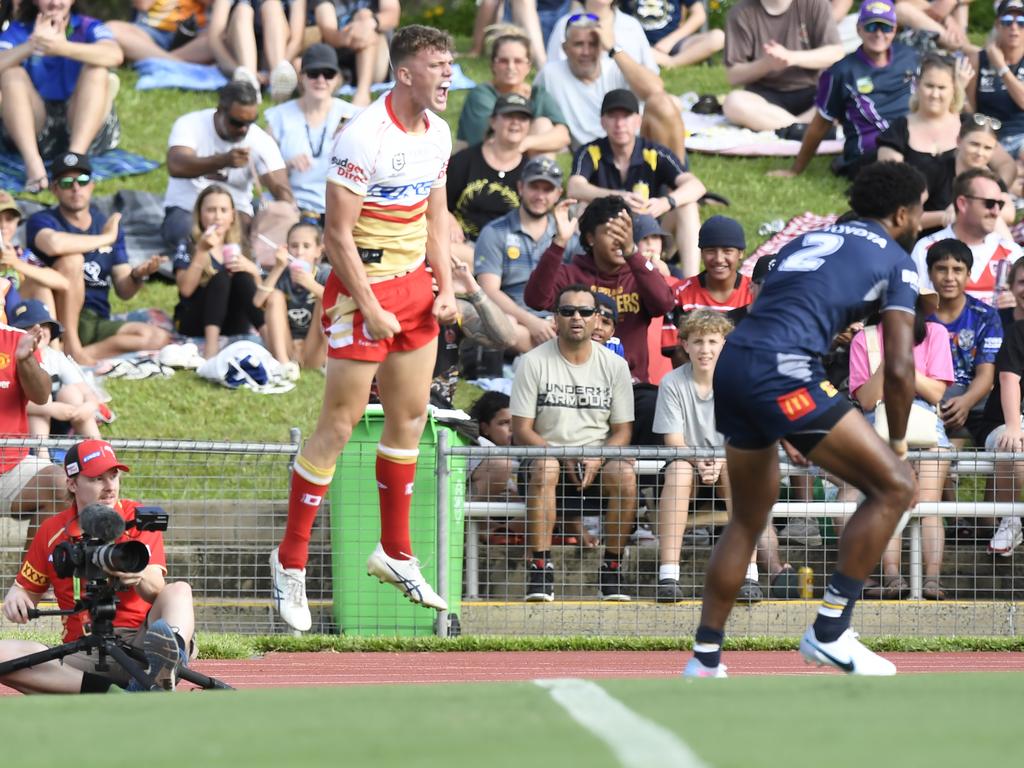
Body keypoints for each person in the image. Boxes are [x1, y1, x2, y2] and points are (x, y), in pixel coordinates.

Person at [682, 161, 926, 678]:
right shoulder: (899, 260)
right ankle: (831, 631)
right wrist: (898, 442)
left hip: (735, 363)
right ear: (902, 213)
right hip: (785, 374)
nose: (922, 221)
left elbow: (779, 311)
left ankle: (705, 660)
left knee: (748, 518)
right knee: (896, 486)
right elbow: (900, 367)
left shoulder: (805, 239)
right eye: (921, 210)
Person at [269, 25, 458, 632]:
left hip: (413, 288)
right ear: (406, 73)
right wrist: (368, 303)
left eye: (451, 63)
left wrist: (446, 285)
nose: (449, 74)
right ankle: (290, 560)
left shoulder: (439, 133)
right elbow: (335, 236)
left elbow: (436, 216)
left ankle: (396, 553)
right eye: (438, 65)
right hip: (362, 287)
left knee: (410, 418)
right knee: (341, 423)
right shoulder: (363, 135)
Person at [0, 439, 195, 693]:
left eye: (113, 476)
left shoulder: (137, 518)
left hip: (143, 644)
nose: (109, 487)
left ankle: (165, 666)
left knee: (179, 591)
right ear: (72, 483)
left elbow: (157, 588)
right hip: (81, 651)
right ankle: (111, 692)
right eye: (96, 479)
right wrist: (16, 598)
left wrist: (134, 573)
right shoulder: (51, 530)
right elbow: (24, 590)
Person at [511, 284, 637, 601]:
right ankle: (540, 568)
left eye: (584, 311)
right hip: (545, 457)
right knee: (545, 468)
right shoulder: (532, 362)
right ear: (556, 318)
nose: (576, 318)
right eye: (568, 311)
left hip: (597, 461)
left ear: (597, 319)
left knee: (625, 475)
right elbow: (522, 429)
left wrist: (597, 457)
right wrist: (559, 454)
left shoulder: (615, 366)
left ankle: (611, 567)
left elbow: (622, 431)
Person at [653, 311, 777, 604]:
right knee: (680, 470)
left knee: (738, 469)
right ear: (684, 344)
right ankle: (668, 575)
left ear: (724, 344)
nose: (704, 349)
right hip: (688, 464)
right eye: (697, 342)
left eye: (712, 341)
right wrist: (700, 462)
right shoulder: (672, 383)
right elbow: (674, 441)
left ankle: (749, 575)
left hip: (728, 462)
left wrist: (719, 461)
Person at [846, 294, 954, 599]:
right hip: (878, 426)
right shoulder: (863, 340)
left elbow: (936, 393)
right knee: (889, 502)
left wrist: (902, 364)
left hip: (926, 423)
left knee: (930, 505)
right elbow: (866, 399)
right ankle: (892, 576)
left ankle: (932, 578)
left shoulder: (936, 333)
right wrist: (888, 360)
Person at [26, 153, 169, 366]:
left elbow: (124, 290)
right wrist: (106, 238)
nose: (76, 188)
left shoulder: (104, 222)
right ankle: (72, 347)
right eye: (66, 182)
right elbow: (54, 244)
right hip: (57, 318)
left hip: (95, 318)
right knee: (72, 260)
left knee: (158, 337)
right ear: (55, 189)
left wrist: (139, 275)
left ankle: (75, 355)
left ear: (92, 185)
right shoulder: (42, 220)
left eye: (82, 181)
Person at [524, 194, 676, 384]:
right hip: (575, 382)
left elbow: (664, 304)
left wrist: (632, 254)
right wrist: (559, 243)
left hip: (631, 384)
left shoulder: (640, 274)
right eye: (612, 233)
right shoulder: (572, 275)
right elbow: (535, 299)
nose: (620, 241)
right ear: (590, 238)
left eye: (625, 233)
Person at [770, 0, 918, 179]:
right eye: (871, 27)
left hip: (912, 141)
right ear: (859, 29)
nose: (878, 34)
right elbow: (820, 125)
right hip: (868, 154)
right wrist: (795, 170)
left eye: (885, 27)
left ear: (894, 30)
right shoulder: (840, 72)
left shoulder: (910, 57)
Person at [567, 89, 706, 277]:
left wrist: (665, 203)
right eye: (613, 116)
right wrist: (619, 196)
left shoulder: (655, 152)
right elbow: (574, 187)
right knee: (581, 206)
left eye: (626, 116)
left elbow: (697, 186)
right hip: (608, 236)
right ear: (602, 122)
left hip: (654, 236)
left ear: (638, 121)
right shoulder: (590, 151)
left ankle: (691, 283)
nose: (620, 124)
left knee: (688, 206)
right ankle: (584, 271)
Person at [0, 0, 123, 193]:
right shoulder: (20, 29)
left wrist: (60, 47)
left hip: (82, 122)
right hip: (35, 125)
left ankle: (74, 162)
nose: (55, 2)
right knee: (10, 74)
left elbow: (115, 55)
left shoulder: (87, 25)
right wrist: (33, 45)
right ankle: (33, 165)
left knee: (97, 70)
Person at [162, 80, 294, 253]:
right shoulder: (191, 124)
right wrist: (222, 161)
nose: (244, 129)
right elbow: (176, 165)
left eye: (251, 122)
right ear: (220, 110)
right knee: (190, 237)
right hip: (188, 208)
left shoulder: (260, 141)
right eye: (237, 123)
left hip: (236, 213)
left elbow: (286, 198)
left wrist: (271, 182)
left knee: (241, 244)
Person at [535, 13, 686, 161]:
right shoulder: (550, 74)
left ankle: (678, 179)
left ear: (601, 47)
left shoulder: (618, 67)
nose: (586, 52)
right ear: (565, 48)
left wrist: (614, 49)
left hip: (634, 149)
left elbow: (656, 89)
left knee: (663, 104)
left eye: (593, 44)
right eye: (579, 44)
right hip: (591, 158)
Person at [473, 155, 564, 354]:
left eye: (547, 189)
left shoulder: (566, 233)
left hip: (557, 321)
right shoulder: (495, 232)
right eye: (534, 187)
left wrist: (558, 320)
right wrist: (531, 322)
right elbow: (489, 291)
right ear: (521, 187)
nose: (540, 196)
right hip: (514, 321)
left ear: (558, 194)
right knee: (505, 326)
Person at [264, 44, 360, 227]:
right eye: (313, 73)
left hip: (339, 208)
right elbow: (260, 172)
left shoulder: (353, 116)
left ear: (338, 78)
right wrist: (286, 166)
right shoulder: (279, 116)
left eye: (328, 74)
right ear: (302, 77)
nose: (321, 80)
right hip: (292, 207)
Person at [875, 54, 969, 233]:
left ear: (954, 89)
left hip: (963, 227)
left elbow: (1003, 166)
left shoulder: (967, 125)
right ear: (917, 86)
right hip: (908, 228)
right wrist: (943, 217)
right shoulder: (899, 129)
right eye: (929, 86)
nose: (935, 94)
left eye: (941, 87)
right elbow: (890, 191)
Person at [172, 184, 268, 356]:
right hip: (195, 321)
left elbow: (260, 298)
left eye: (223, 210)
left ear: (232, 215)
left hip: (234, 323)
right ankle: (210, 351)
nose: (217, 216)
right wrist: (202, 251)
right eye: (211, 210)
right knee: (221, 278)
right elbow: (185, 290)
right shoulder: (189, 244)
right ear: (200, 215)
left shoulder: (243, 247)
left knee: (243, 278)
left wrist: (253, 271)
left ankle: (272, 343)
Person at [722, 0, 843, 133]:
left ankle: (793, 129)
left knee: (845, 95)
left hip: (814, 91)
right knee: (733, 102)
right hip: (764, 97)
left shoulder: (816, 3)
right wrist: (767, 64)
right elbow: (732, 76)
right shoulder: (740, 12)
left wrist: (791, 57)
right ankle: (802, 129)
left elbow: (836, 53)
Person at [923, 239, 1001, 442]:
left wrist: (966, 402)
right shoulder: (916, 315)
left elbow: (986, 374)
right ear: (930, 273)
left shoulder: (985, 316)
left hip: (974, 399)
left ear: (969, 274)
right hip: (926, 398)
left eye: (957, 270)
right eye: (941, 269)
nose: (949, 277)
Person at [910, 168, 1023, 305]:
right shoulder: (926, 249)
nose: (996, 212)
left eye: (1000, 204)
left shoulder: (1012, 252)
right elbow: (914, 305)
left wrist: (1017, 303)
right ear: (962, 204)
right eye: (989, 204)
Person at [0, 320, 66, 546]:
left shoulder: (16, 339)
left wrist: (25, 360)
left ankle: (28, 580)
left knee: (61, 485)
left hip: (9, 467)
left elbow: (41, 395)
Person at [455, 26, 571, 153]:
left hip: (521, 161)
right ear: (493, 65)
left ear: (528, 66)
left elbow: (563, 136)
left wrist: (527, 143)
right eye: (503, 61)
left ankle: (540, 173)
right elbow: (490, 140)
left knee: (542, 124)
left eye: (518, 61)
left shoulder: (537, 94)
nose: (511, 67)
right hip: (481, 165)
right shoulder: (481, 94)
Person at [447, 94, 531, 266]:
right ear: (493, 121)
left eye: (522, 118)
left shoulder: (530, 171)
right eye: (508, 116)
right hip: (465, 247)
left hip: (511, 251)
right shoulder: (463, 161)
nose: (515, 122)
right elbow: (435, 203)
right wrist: (447, 218)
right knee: (442, 247)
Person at [9, 299, 103, 441]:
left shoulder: (56, 357)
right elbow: (7, 403)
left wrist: (88, 406)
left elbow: (86, 391)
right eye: (30, 327)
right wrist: (49, 408)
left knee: (71, 393)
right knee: (44, 401)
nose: (39, 331)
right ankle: (42, 457)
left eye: (44, 325)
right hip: (27, 424)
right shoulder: (11, 358)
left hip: (63, 419)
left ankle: (99, 448)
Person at [973, 314, 1024, 556]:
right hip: (1003, 421)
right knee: (1011, 443)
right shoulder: (1018, 332)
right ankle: (1010, 520)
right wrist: (1013, 425)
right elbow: (1008, 378)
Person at [255, 221, 328, 373]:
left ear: (318, 251)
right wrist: (278, 267)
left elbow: (340, 302)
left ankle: (328, 363)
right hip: (287, 347)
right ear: (287, 249)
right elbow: (257, 302)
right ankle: (283, 365)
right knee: (274, 296)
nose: (299, 252)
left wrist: (311, 284)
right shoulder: (282, 274)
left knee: (325, 298)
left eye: (306, 246)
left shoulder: (324, 273)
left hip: (314, 349)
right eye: (294, 246)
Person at [311, 0, 401, 107]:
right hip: (341, 61)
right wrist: (353, 34)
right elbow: (330, 34)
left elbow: (393, 15)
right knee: (364, 22)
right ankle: (361, 94)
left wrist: (369, 23)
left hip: (378, 61)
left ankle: (362, 94)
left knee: (364, 15)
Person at [967, 0, 1024, 158]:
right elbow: (970, 110)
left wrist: (1001, 66)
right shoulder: (977, 60)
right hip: (988, 138)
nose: (1014, 27)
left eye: (1021, 22)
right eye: (1007, 21)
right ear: (998, 25)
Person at [0, 191, 70, 314]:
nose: (3, 225)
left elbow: (63, 283)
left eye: (9, 219)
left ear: (18, 222)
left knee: (39, 287)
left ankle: (51, 333)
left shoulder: (21, 254)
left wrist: (16, 263)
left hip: (16, 316)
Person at [618, 0, 725, 69]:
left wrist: (670, 41)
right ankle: (662, 60)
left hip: (675, 42)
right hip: (638, 44)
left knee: (719, 37)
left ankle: (672, 63)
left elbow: (699, 15)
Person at [107, 0, 213, 64]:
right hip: (150, 33)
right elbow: (143, 5)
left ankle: (158, 59)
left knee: (215, 41)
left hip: (192, 36)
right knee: (112, 29)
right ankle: (175, 63)